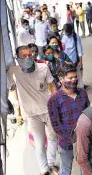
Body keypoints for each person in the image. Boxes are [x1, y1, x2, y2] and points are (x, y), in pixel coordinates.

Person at [7, 46, 58, 175]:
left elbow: (52, 85)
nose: (28, 58)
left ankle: (51, 163)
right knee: (40, 145)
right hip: (32, 115)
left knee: (53, 138)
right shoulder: (14, 71)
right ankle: (44, 170)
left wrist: (56, 102)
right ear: (18, 59)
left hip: (49, 111)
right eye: (24, 56)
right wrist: (16, 108)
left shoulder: (43, 68)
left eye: (30, 54)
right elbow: (10, 87)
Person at [48, 63, 90, 175]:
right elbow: (56, 125)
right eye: (70, 78)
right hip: (66, 144)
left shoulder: (83, 94)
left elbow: (89, 115)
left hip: (84, 140)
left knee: (85, 168)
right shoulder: (54, 100)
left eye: (75, 77)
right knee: (66, 170)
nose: (74, 80)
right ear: (61, 80)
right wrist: (72, 139)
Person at [61, 23, 84, 89]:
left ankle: (80, 89)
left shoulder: (76, 37)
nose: (67, 34)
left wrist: (80, 61)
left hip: (74, 61)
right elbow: (61, 49)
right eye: (66, 32)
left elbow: (80, 50)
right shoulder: (63, 35)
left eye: (68, 33)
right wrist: (64, 61)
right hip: (65, 61)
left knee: (77, 75)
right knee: (68, 76)